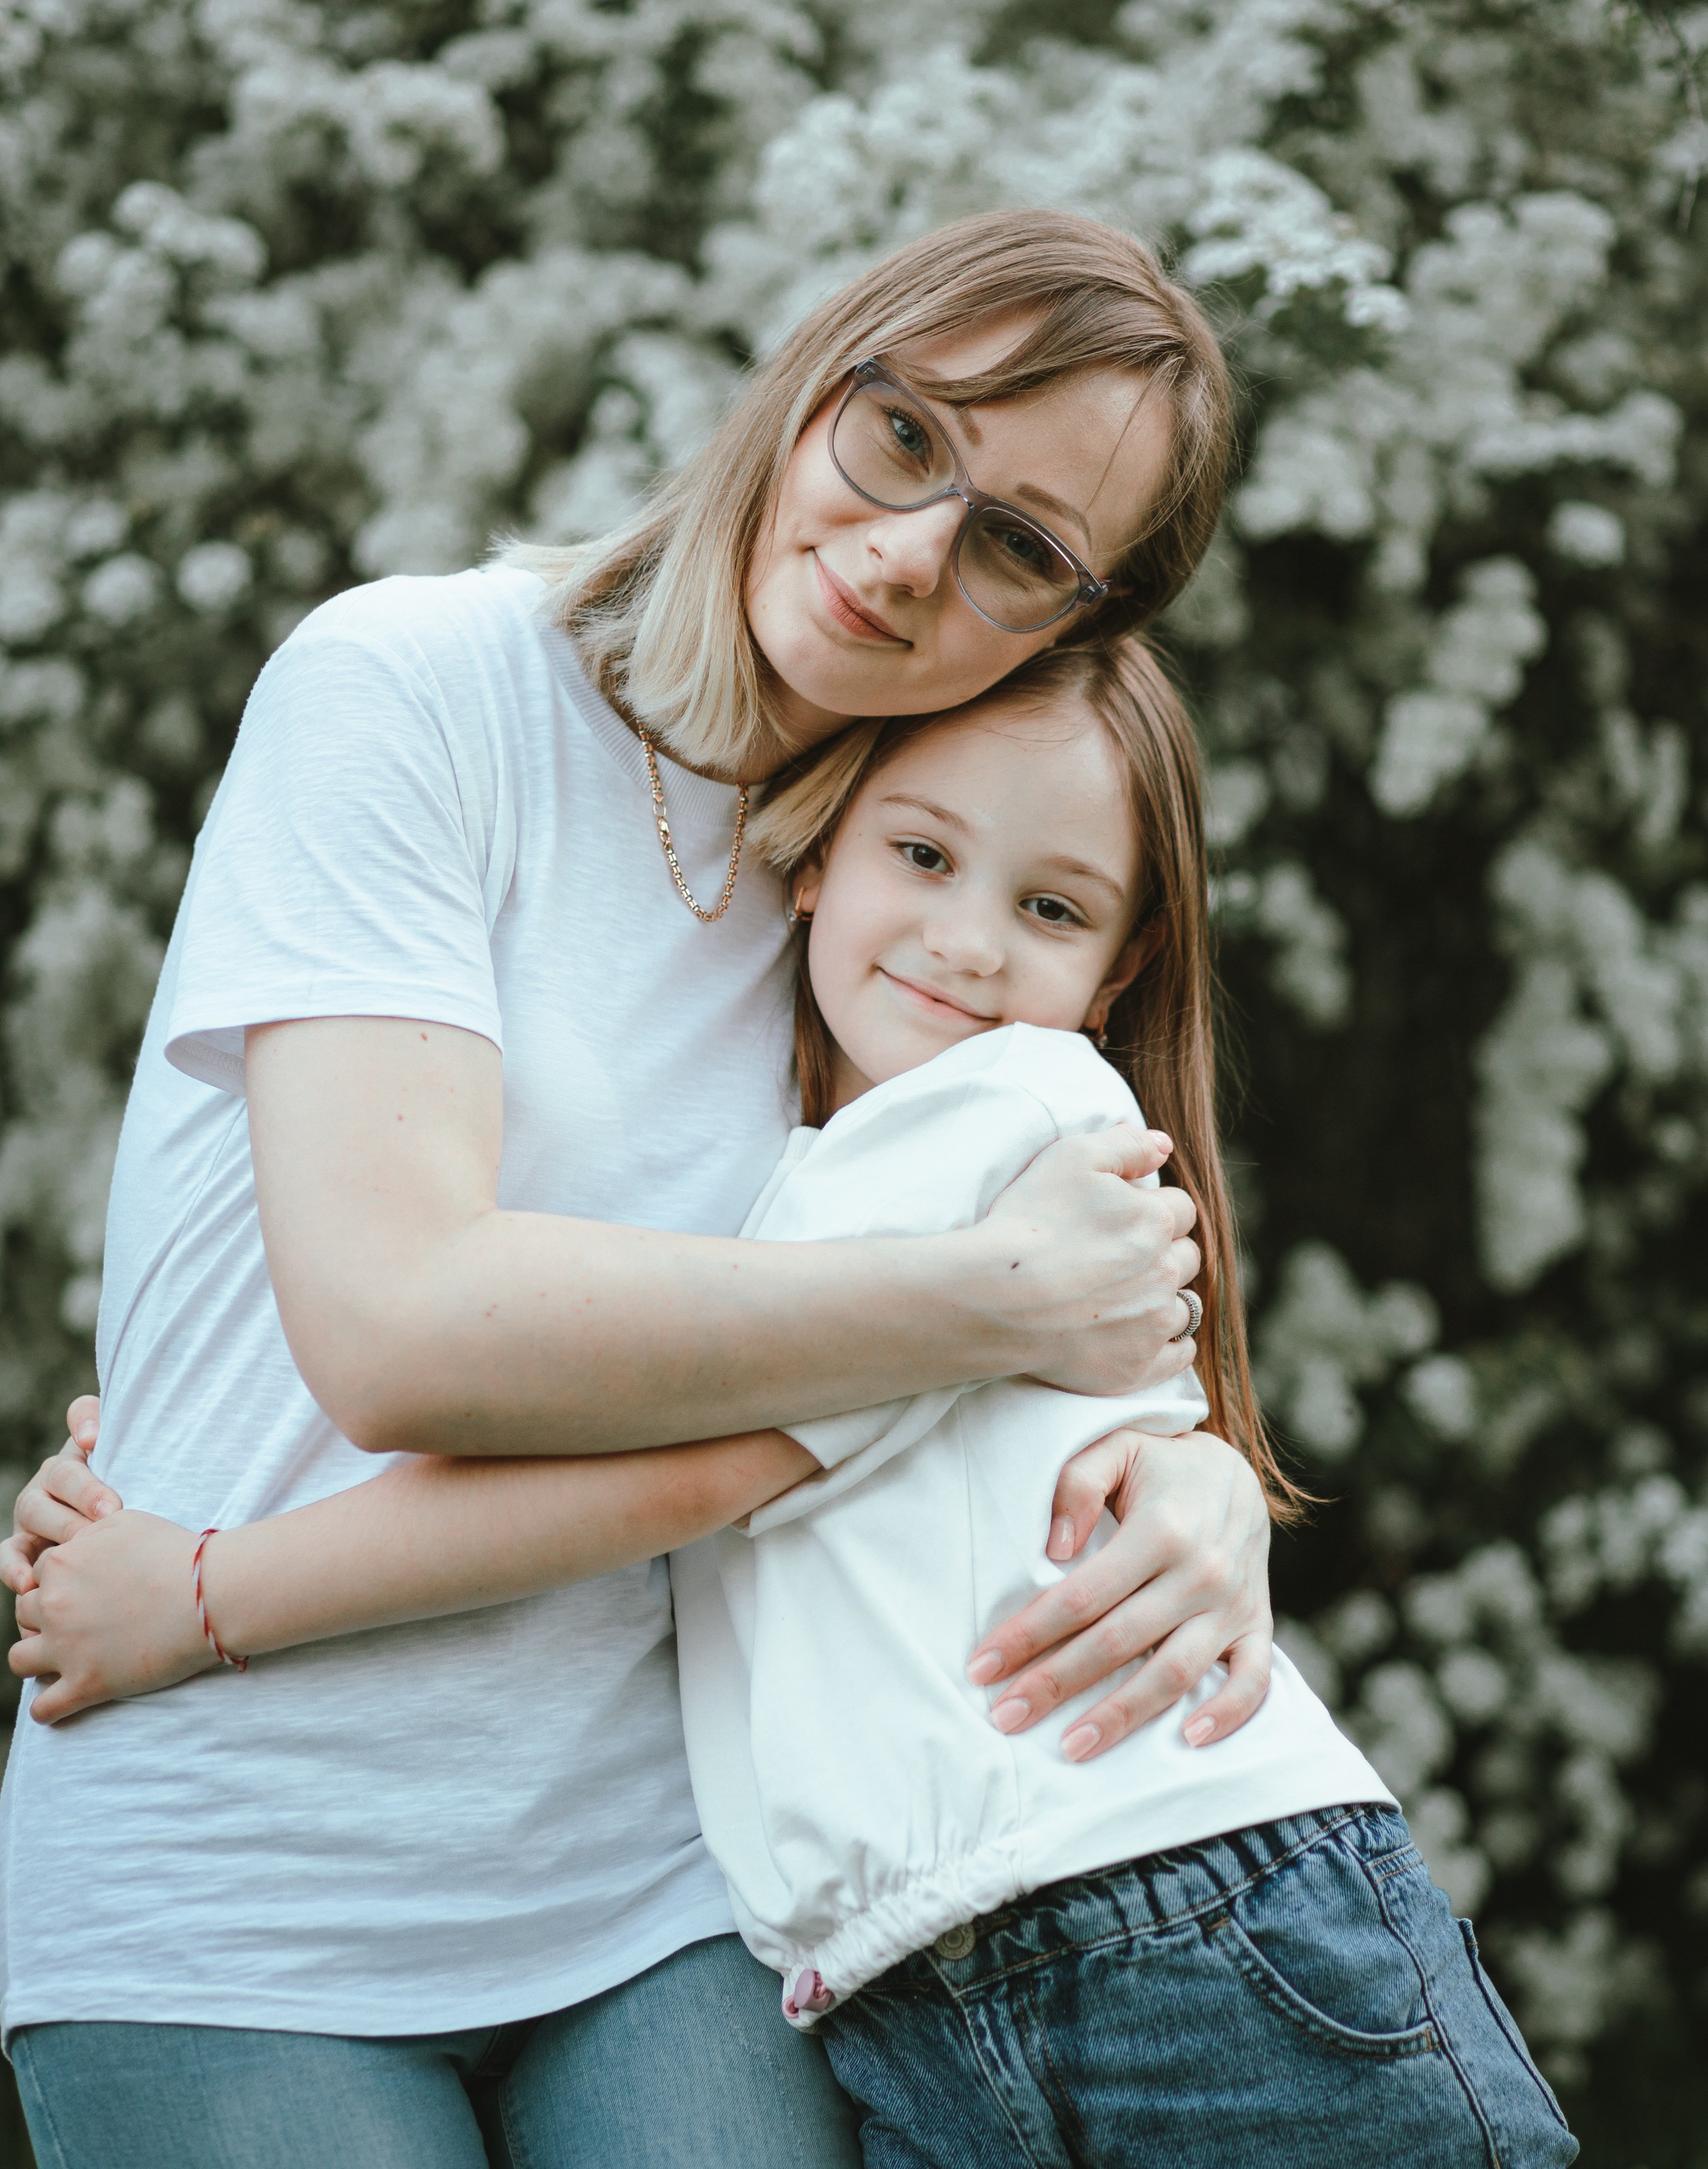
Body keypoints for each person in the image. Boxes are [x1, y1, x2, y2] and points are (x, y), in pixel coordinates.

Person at [0, 209, 1278, 2169]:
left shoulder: (895, 892)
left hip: (670, 1890)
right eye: (906, 434)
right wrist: (1001, 1299)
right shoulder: (410, 689)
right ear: (815, 378)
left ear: (1075, 626)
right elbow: (401, 1331)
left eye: (1021, 541)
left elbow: (980, 1364)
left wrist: (1195, 1480)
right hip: (232, 1874)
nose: (912, 549)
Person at [8, 642, 1577, 2168]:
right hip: (948, 1962)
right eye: (922, 855)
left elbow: (683, 1478)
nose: (967, 940)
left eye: (1046, 907)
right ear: (816, 859)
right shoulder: (816, 1156)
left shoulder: (994, 1119)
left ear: (1119, 968)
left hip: (1155, 1910)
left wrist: (201, 1595)